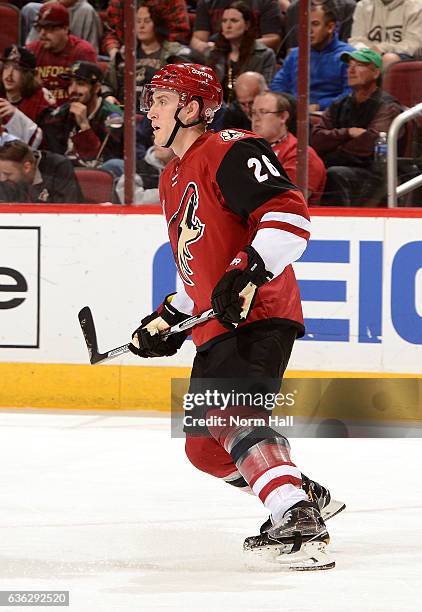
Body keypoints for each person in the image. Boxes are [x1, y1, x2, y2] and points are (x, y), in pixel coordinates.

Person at [129, 63, 344, 569]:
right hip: (215, 322)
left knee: (232, 415)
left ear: (192, 108)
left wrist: (250, 270)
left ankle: (295, 517)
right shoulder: (171, 177)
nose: (151, 110)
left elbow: (288, 215)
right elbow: (197, 275)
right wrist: (166, 320)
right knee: (205, 450)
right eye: (152, 99)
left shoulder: (230, 147)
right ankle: (302, 492)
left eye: (162, 99)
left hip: (258, 312)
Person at [311, 48, 403, 206]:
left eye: (359, 65)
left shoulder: (388, 107)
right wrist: (347, 132)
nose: (351, 70)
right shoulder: (339, 104)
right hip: (344, 166)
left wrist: (333, 148)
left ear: (376, 73)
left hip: (376, 174)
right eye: (349, 65)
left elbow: (371, 144)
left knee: (334, 173)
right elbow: (316, 139)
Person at [271, 0, 355, 111]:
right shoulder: (295, 55)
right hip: (295, 113)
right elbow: (278, 86)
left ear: (330, 27)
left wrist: (319, 106)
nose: (308, 30)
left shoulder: (347, 56)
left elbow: (350, 94)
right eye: (305, 24)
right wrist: (293, 105)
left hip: (330, 116)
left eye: (315, 24)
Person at [41, 61, 123, 171]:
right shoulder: (60, 114)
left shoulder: (113, 117)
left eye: (80, 84)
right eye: (70, 83)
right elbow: (51, 155)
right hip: (65, 177)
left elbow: (104, 164)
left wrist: (84, 126)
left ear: (97, 87)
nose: (72, 90)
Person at [104, 2, 186, 105]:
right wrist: (108, 96)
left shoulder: (174, 55)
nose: (141, 26)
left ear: (158, 24)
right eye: (138, 21)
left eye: (147, 21)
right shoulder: (124, 53)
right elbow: (107, 84)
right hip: (122, 111)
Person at [251, 91, 326, 204]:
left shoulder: (301, 155)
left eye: (263, 112)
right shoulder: (247, 149)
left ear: (283, 117)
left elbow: (286, 200)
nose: (256, 119)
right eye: (253, 113)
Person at [26, 2, 97, 104]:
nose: (42, 33)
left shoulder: (83, 52)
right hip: (39, 114)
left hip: (70, 113)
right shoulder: (32, 51)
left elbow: (90, 93)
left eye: (49, 28)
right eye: (39, 28)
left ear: (65, 28)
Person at [207, 1, 277, 102]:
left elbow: (265, 93)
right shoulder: (214, 54)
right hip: (218, 111)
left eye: (234, 21)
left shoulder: (265, 55)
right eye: (224, 21)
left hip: (249, 108)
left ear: (247, 25)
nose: (228, 26)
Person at [0, 45, 55, 148]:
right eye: (7, 66)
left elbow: (49, 145)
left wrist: (15, 116)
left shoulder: (42, 101)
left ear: (28, 75)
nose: (9, 74)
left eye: (17, 69)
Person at [102, 0, 191, 60]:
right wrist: (114, 52)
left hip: (164, 54)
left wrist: (155, 51)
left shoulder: (172, 1)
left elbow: (179, 34)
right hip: (126, 54)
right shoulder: (117, 2)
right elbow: (111, 32)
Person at [0, 139, 83, 202]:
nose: (2, 179)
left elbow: (69, 209)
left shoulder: (58, 167)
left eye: (7, 174)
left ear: (26, 167)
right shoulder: (6, 181)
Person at [348, 0, 422, 69]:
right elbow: (356, 40)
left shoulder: (417, 6)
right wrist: (366, 53)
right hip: (368, 55)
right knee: (350, 58)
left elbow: (414, 44)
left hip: (405, 56)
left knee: (389, 59)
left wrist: (383, 48)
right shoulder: (363, 5)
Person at [191, 0, 283, 54]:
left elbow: (272, 39)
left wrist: (237, 46)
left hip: (252, 54)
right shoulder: (206, 2)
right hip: (217, 54)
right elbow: (198, 39)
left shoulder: (266, 2)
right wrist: (206, 47)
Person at [23, 0, 103, 53]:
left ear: (66, 29)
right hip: (45, 57)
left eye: (51, 28)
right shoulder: (48, 8)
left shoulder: (86, 11)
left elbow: (92, 53)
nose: (43, 32)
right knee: (29, 8)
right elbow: (29, 50)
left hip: (74, 62)